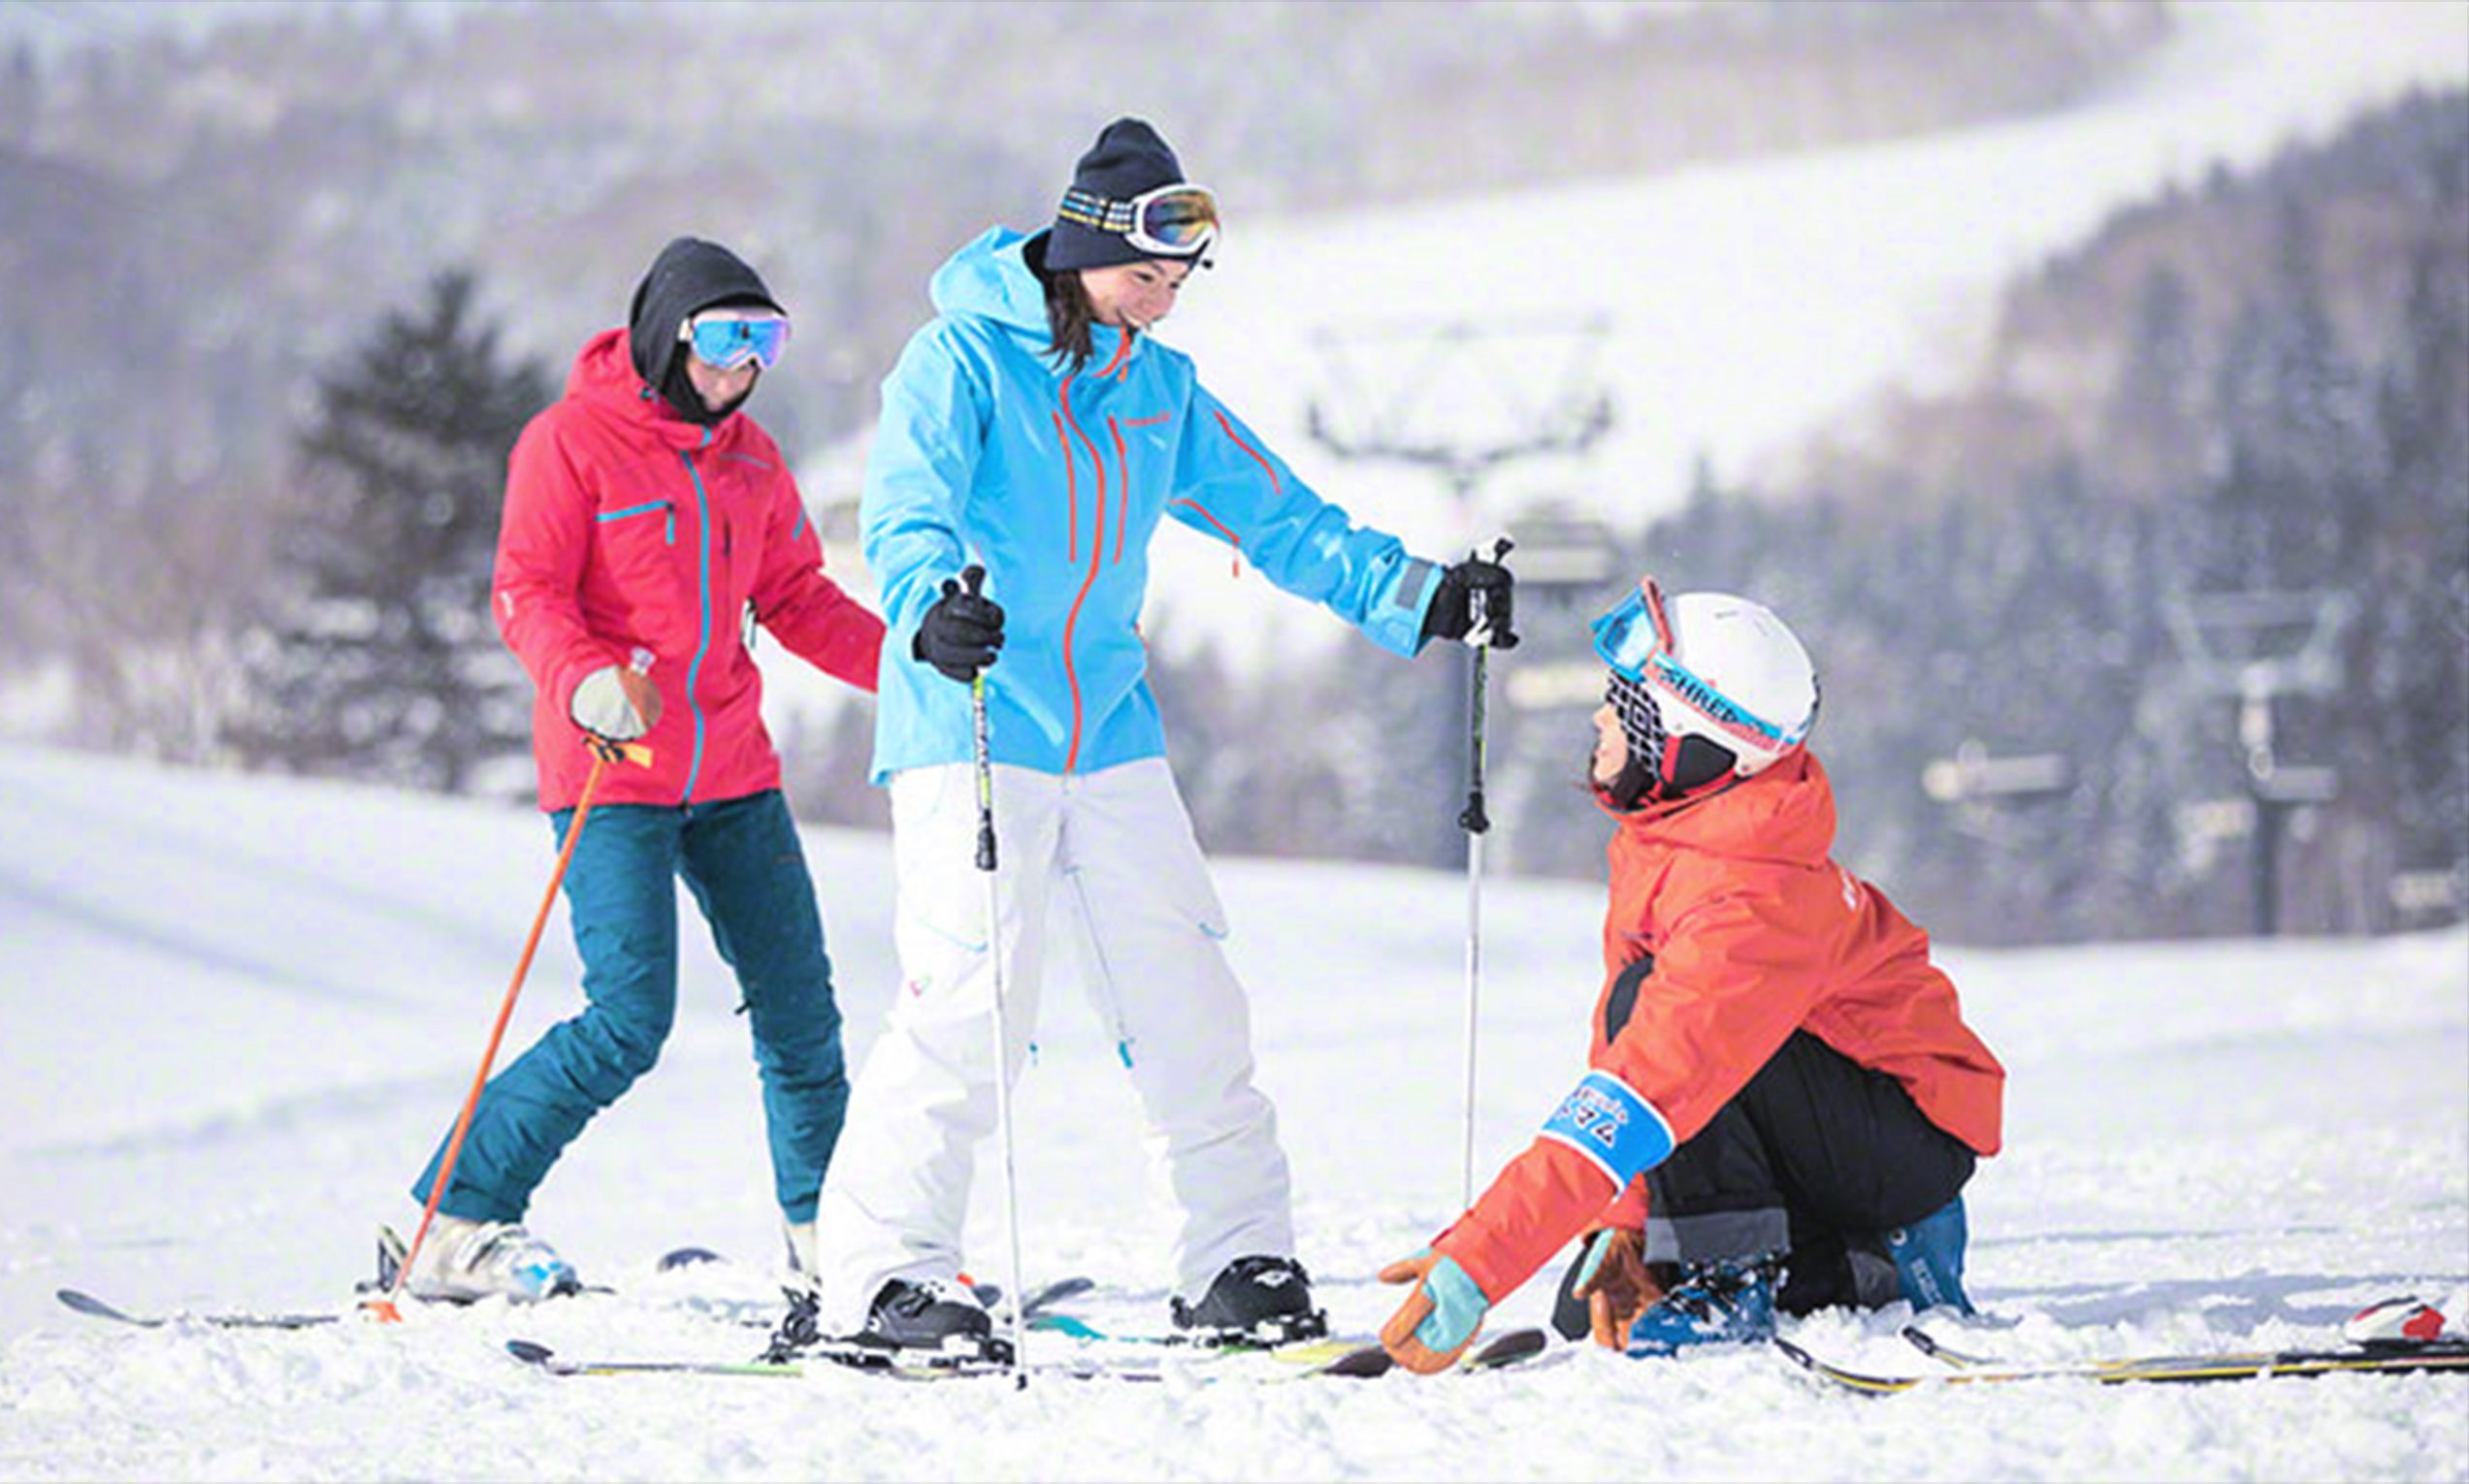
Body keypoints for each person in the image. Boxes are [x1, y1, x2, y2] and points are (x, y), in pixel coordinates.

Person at [793, 117, 1516, 1353]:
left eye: (1180, 284)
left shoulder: (1156, 388)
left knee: (1188, 999)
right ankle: (882, 1278)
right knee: (971, 1006)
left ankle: (1236, 1261)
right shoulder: (959, 360)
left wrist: (1419, 596)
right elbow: (905, 506)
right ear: (1081, 248)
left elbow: (1280, 517)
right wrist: (926, 612)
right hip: (969, 717)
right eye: (1146, 276)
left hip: (1109, 732)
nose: (1163, 302)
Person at [397, 236, 887, 1302]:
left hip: (734, 774)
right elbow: (526, 591)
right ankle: (453, 1220)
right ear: (668, 338)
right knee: (628, 1021)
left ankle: (834, 1239)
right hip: (613, 767)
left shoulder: (752, 459)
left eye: (765, 342)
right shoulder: (568, 444)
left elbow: (796, 597)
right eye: (724, 340)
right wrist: (580, 680)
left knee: (801, 1012)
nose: (743, 366)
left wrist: (915, 667)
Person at [1377, 577, 2004, 1371]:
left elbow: (1649, 1080)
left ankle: (1738, 1273)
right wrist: (1631, 1222)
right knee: (1590, 1306)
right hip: (1819, 1129)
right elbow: (1626, 1054)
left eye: (1625, 707)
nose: (1600, 718)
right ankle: (1843, 1270)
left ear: (1686, 746)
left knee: (1667, 1024)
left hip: (1898, 1149)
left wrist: (1477, 1263)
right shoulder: (1676, 835)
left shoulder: (1749, 895)